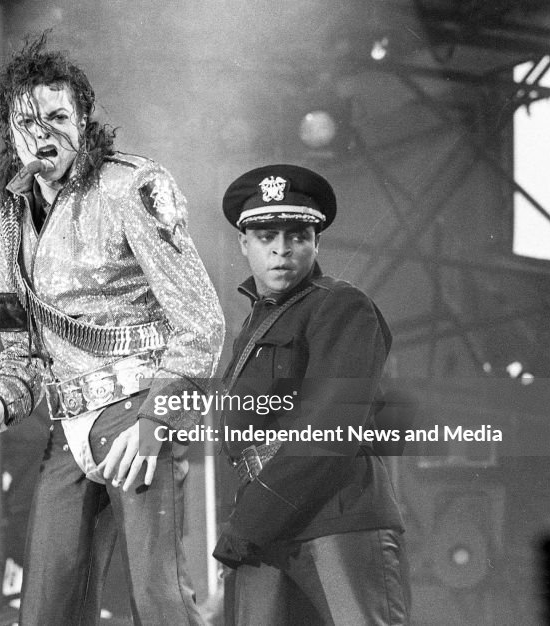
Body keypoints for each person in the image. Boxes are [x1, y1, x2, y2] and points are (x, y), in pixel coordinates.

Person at [0, 35, 225, 625]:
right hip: (69, 430)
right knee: (45, 609)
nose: (42, 133)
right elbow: (22, 354)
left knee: (161, 601)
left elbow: (202, 323)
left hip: (140, 412)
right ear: (9, 132)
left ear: (85, 119)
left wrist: (155, 424)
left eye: (58, 117)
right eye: (26, 122)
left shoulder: (132, 186)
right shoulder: (10, 217)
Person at [212, 164, 410, 625]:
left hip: (337, 519)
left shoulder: (340, 305)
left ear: (316, 242)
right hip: (267, 528)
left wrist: (246, 526)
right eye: (266, 236)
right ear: (244, 244)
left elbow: (330, 428)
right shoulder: (255, 327)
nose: (282, 248)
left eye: (297, 234)